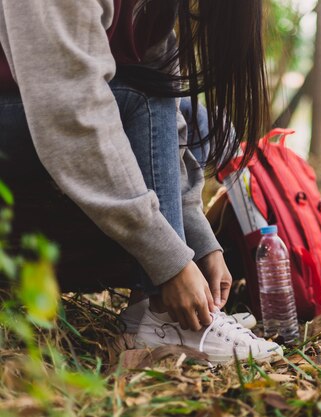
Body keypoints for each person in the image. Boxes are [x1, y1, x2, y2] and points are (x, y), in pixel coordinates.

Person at [0, 0, 282, 364]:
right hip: (40, 130)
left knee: (155, 91)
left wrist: (198, 243)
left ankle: (150, 312)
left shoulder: (154, 9)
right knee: (142, 97)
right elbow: (72, 114)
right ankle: (163, 312)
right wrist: (171, 264)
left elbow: (163, 130)